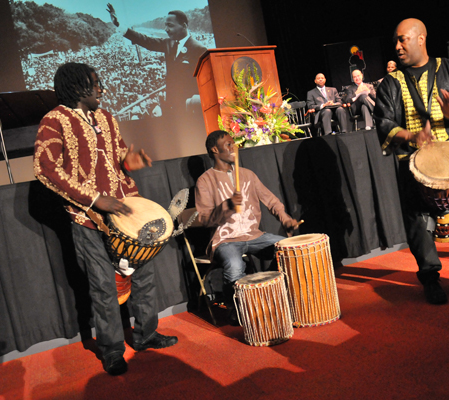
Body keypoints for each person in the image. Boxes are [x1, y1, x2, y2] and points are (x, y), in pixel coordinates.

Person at [33, 63, 177, 376]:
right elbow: (46, 168)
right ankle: (112, 350)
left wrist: (129, 160)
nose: (102, 89)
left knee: (144, 277)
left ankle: (146, 335)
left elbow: (117, 155)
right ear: (77, 88)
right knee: (103, 286)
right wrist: (96, 200)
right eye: (96, 84)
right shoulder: (54, 121)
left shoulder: (106, 118)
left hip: (126, 212)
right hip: (87, 218)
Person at [374, 18, 449, 304]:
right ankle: (430, 278)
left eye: (403, 40)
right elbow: (384, 124)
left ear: (421, 39)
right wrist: (412, 135)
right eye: (396, 41)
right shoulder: (390, 83)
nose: (397, 46)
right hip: (413, 163)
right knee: (417, 224)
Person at [195, 131, 299, 324]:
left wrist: (284, 218)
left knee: (290, 249)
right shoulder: (205, 181)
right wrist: (227, 205)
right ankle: (236, 309)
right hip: (225, 240)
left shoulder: (247, 174)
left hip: (254, 236)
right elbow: (204, 218)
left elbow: (271, 201)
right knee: (235, 267)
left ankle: (268, 291)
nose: (234, 148)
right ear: (214, 149)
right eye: (228, 144)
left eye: (234, 143)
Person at [107, 4, 207, 115]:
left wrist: (192, 103)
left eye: (170, 25)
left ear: (183, 26)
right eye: (165, 25)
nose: (166, 29)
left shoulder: (199, 49)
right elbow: (145, 40)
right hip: (171, 106)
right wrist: (118, 25)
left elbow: (205, 83)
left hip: (189, 108)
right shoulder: (169, 43)